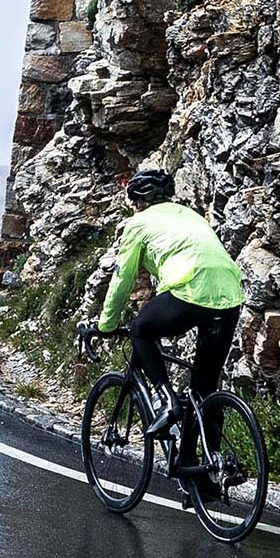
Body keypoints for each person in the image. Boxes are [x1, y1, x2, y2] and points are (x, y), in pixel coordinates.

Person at [78, 169, 244, 489]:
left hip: (190, 291)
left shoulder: (138, 224)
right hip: (229, 296)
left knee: (141, 329)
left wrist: (105, 324)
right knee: (204, 389)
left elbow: (122, 280)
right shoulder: (191, 215)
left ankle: (167, 399)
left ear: (137, 202)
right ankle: (202, 472)